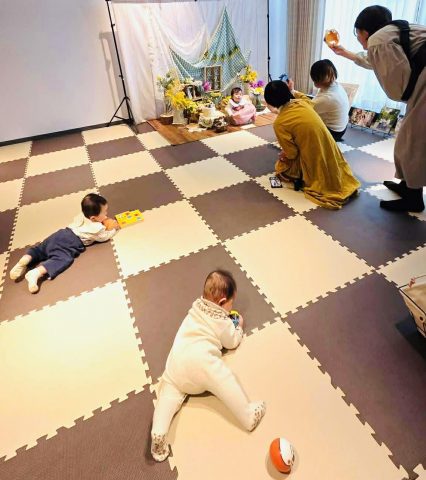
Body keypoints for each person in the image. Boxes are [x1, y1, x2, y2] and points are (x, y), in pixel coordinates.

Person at [151, 270, 266, 462]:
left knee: (167, 396)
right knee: (225, 380)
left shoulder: (195, 308)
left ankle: (159, 432)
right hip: (201, 363)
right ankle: (248, 416)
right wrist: (238, 326)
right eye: (231, 304)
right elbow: (232, 342)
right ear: (222, 302)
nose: (231, 308)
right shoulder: (222, 320)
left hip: (176, 363)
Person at [327, 5, 426, 212]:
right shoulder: (395, 31)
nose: (358, 38)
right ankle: (408, 186)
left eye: (357, 32)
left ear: (364, 31)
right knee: (409, 138)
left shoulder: (379, 40)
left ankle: (414, 197)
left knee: (413, 140)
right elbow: (376, 61)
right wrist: (344, 53)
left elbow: (398, 89)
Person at [264, 80, 361, 209]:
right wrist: (293, 91)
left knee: (281, 166)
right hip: (330, 147)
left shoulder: (280, 123)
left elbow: (292, 154)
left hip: (313, 158)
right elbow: (304, 97)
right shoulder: (302, 103)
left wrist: (283, 154)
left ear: (270, 102)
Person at [9, 193, 119, 293]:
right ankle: (36, 273)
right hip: (70, 243)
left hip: (61, 233)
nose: (106, 214)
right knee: (62, 259)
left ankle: (27, 258)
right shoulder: (96, 228)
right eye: (105, 212)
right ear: (93, 218)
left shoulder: (82, 215)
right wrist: (115, 228)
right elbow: (104, 237)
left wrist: (103, 218)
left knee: (41, 248)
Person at [306, 59, 349, 141]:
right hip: (342, 128)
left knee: (301, 120)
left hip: (333, 133)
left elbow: (306, 110)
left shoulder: (328, 98)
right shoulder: (336, 85)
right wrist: (293, 92)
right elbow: (314, 101)